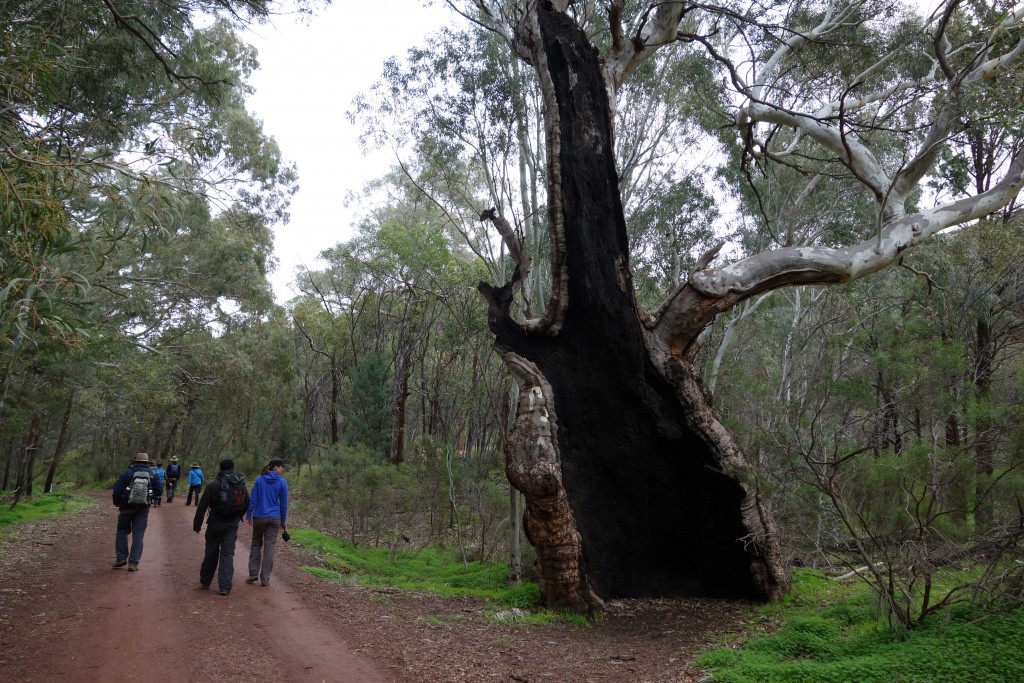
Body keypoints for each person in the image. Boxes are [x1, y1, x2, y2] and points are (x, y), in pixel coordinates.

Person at [193, 459, 249, 595]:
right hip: (232, 524)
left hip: (215, 522)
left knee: (211, 552)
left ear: (220, 468)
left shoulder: (214, 484)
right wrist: (238, 516)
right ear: (233, 468)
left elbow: (202, 506)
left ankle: (205, 582)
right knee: (227, 554)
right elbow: (246, 503)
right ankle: (224, 587)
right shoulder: (240, 484)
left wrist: (197, 525)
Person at [112, 452, 163, 571]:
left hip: (126, 508)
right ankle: (133, 563)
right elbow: (159, 490)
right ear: (147, 463)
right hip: (142, 509)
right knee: (138, 534)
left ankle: (121, 558)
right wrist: (150, 497)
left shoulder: (127, 473)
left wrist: (118, 503)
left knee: (122, 531)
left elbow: (117, 491)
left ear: (134, 462)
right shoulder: (152, 474)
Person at [245, 457, 289, 587]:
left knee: (256, 543)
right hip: (274, 518)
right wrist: (282, 521)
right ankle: (265, 579)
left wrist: (249, 516)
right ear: (275, 467)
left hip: (259, 516)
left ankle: (253, 573)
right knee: (270, 547)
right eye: (282, 467)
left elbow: (253, 499)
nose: (283, 469)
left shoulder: (259, 479)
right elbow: (284, 505)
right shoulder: (282, 482)